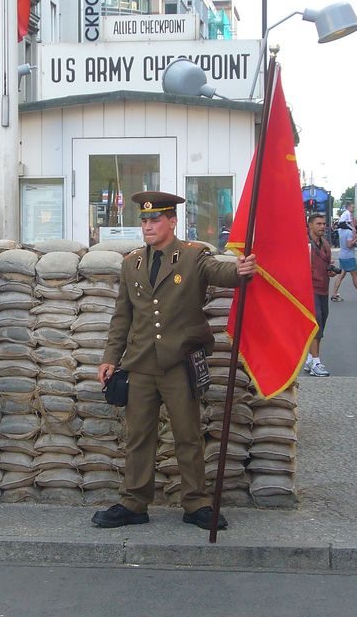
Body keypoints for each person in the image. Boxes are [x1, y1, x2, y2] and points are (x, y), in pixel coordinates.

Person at [92, 191, 258, 531]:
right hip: (140, 363)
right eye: (144, 220)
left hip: (178, 363)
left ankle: (196, 502)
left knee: (187, 435)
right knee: (138, 436)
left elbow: (219, 273)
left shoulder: (193, 256)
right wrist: (111, 358)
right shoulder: (132, 262)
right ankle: (134, 502)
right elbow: (121, 317)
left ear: (172, 221)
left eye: (155, 220)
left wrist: (241, 271)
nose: (148, 226)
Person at [304, 213, 334, 377]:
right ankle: (316, 361)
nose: (322, 226)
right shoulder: (304, 244)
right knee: (316, 324)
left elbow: (327, 266)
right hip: (309, 289)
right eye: (318, 224)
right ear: (310, 225)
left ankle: (310, 359)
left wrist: (330, 272)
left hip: (323, 289)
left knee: (321, 324)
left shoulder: (326, 245)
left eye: (323, 224)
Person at [330, 221, 357, 302]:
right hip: (349, 256)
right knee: (355, 276)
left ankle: (334, 294)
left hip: (342, 255)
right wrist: (356, 239)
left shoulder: (340, 231)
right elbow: (349, 245)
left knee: (341, 275)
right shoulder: (348, 232)